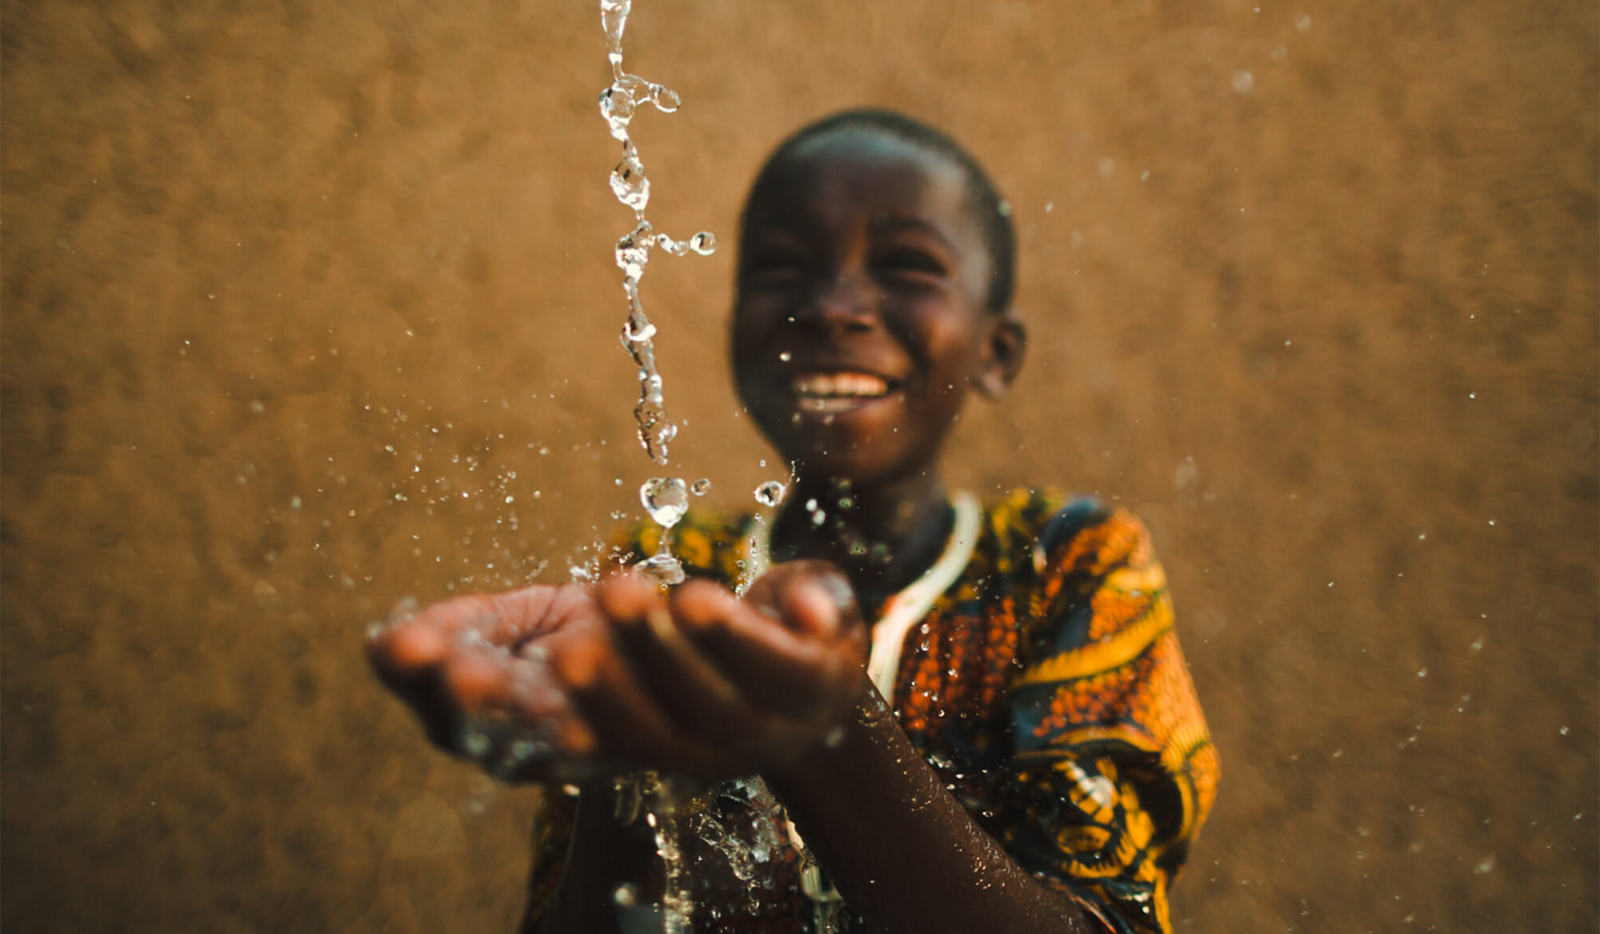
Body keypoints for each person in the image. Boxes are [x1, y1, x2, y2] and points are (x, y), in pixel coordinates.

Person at [367, 109, 1218, 934]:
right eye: (782, 266)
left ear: (997, 352)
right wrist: (634, 762)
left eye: (909, 267)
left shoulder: (1063, 568)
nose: (833, 305)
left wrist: (828, 728)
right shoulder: (666, 571)